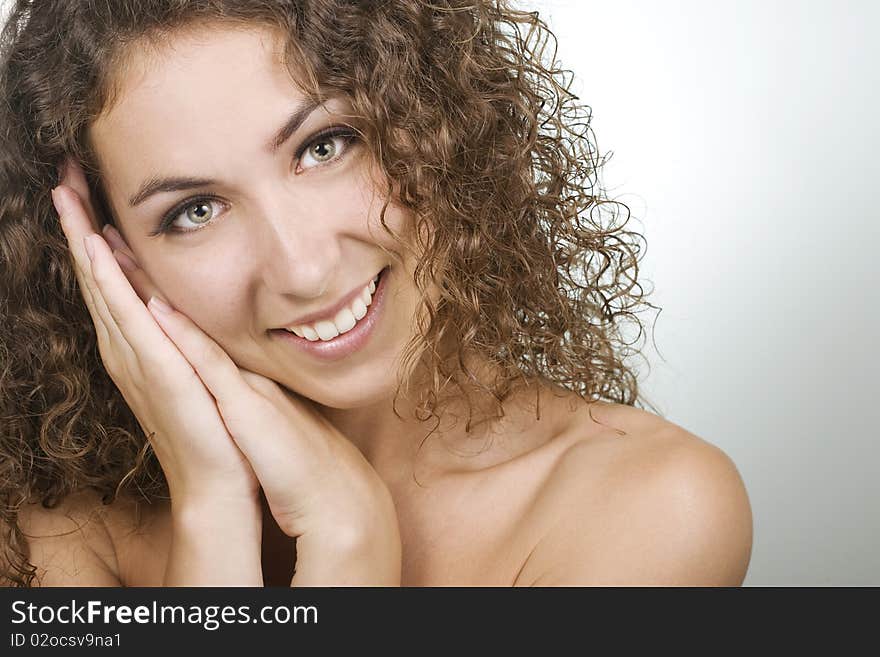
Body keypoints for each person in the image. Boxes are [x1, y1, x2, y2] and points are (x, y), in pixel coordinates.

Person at [0, 0, 752, 587]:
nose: (302, 268)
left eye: (324, 146)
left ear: (431, 119)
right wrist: (215, 504)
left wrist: (349, 550)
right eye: (194, 210)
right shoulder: (60, 526)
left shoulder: (647, 507)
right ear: (109, 255)